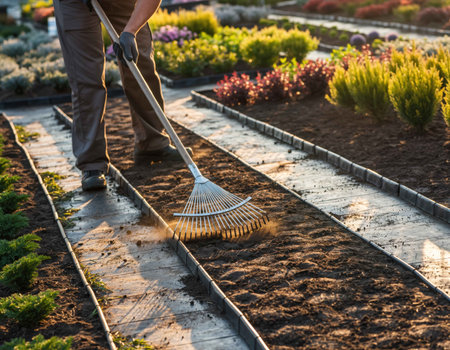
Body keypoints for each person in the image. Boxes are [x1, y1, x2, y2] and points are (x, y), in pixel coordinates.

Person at [53, 0, 190, 191]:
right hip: (75, 4)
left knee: (140, 64)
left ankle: (152, 143)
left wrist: (130, 32)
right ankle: (92, 164)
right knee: (88, 80)